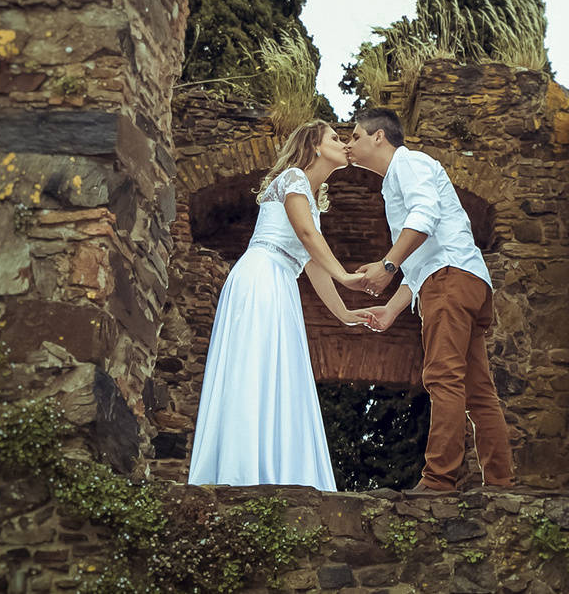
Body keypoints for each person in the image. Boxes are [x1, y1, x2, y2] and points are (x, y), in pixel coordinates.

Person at [188, 119, 372, 489]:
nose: (343, 144)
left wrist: (345, 314)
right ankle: (241, 473)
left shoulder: (310, 199)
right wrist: (346, 276)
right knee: (253, 365)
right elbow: (306, 235)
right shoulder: (293, 178)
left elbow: (312, 261)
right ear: (315, 146)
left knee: (276, 373)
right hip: (261, 276)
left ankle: (271, 471)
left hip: (281, 281)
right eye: (335, 138)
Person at [346, 107, 515, 493]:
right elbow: (421, 261)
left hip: (450, 281)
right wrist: (391, 309)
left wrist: (387, 265)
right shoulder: (397, 179)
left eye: (355, 136)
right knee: (477, 390)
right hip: (461, 279)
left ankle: (439, 481)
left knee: (443, 377)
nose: (349, 144)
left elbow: (425, 215)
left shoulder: (410, 164)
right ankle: (501, 484)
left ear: (378, 136)